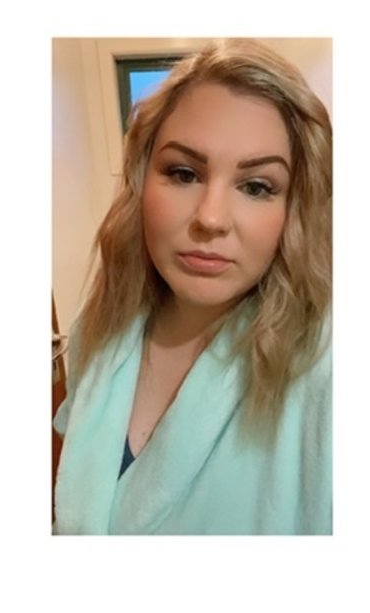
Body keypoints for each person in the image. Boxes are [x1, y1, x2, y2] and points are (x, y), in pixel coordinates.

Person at [53, 38, 332, 535]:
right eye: (183, 173)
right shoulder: (99, 327)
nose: (211, 218)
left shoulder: (326, 364)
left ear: (295, 207)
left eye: (257, 186)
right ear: (141, 181)